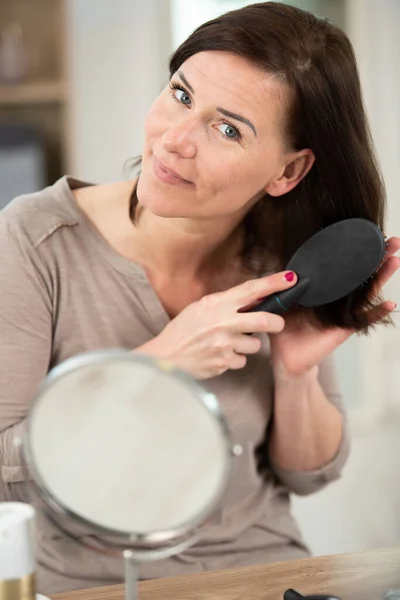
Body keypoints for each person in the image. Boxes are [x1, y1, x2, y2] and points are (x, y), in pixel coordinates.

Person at [0, 1, 399, 594]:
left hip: (268, 576)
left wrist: (296, 376)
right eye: (181, 95)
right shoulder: (36, 238)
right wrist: (155, 365)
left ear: (288, 172)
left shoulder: (281, 264)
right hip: (100, 585)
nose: (175, 140)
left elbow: (310, 475)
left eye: (228, 128)